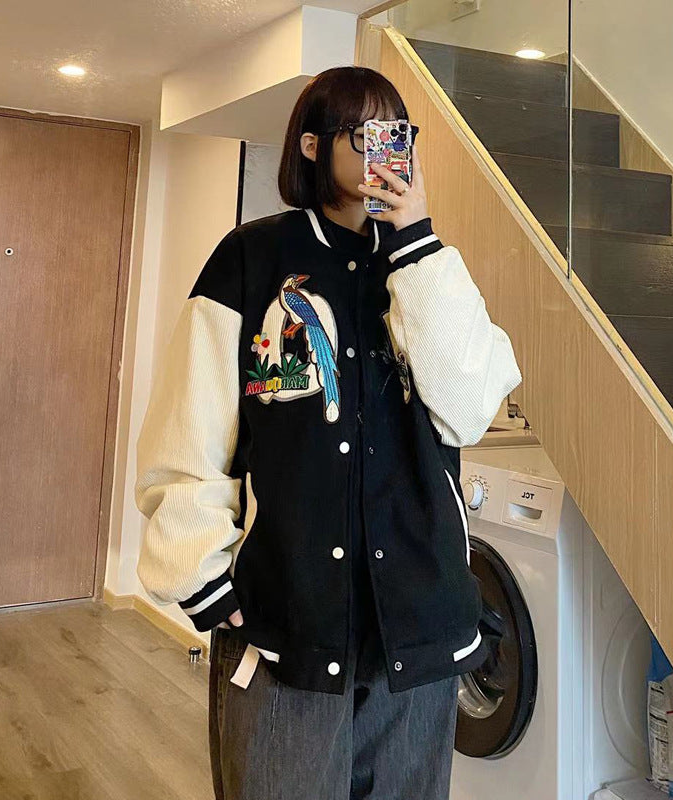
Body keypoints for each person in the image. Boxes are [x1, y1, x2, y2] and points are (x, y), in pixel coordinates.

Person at [134, 66, 522, 800]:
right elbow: (190, 428)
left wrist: (416, 243)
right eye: (363, 133)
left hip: (421, 627)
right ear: (312, 145)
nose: (385, 150)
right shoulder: (251, 259)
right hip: (287, 625)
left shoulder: (426, 266)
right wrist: (203, 579)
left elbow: (471, 406)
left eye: (397, 133)